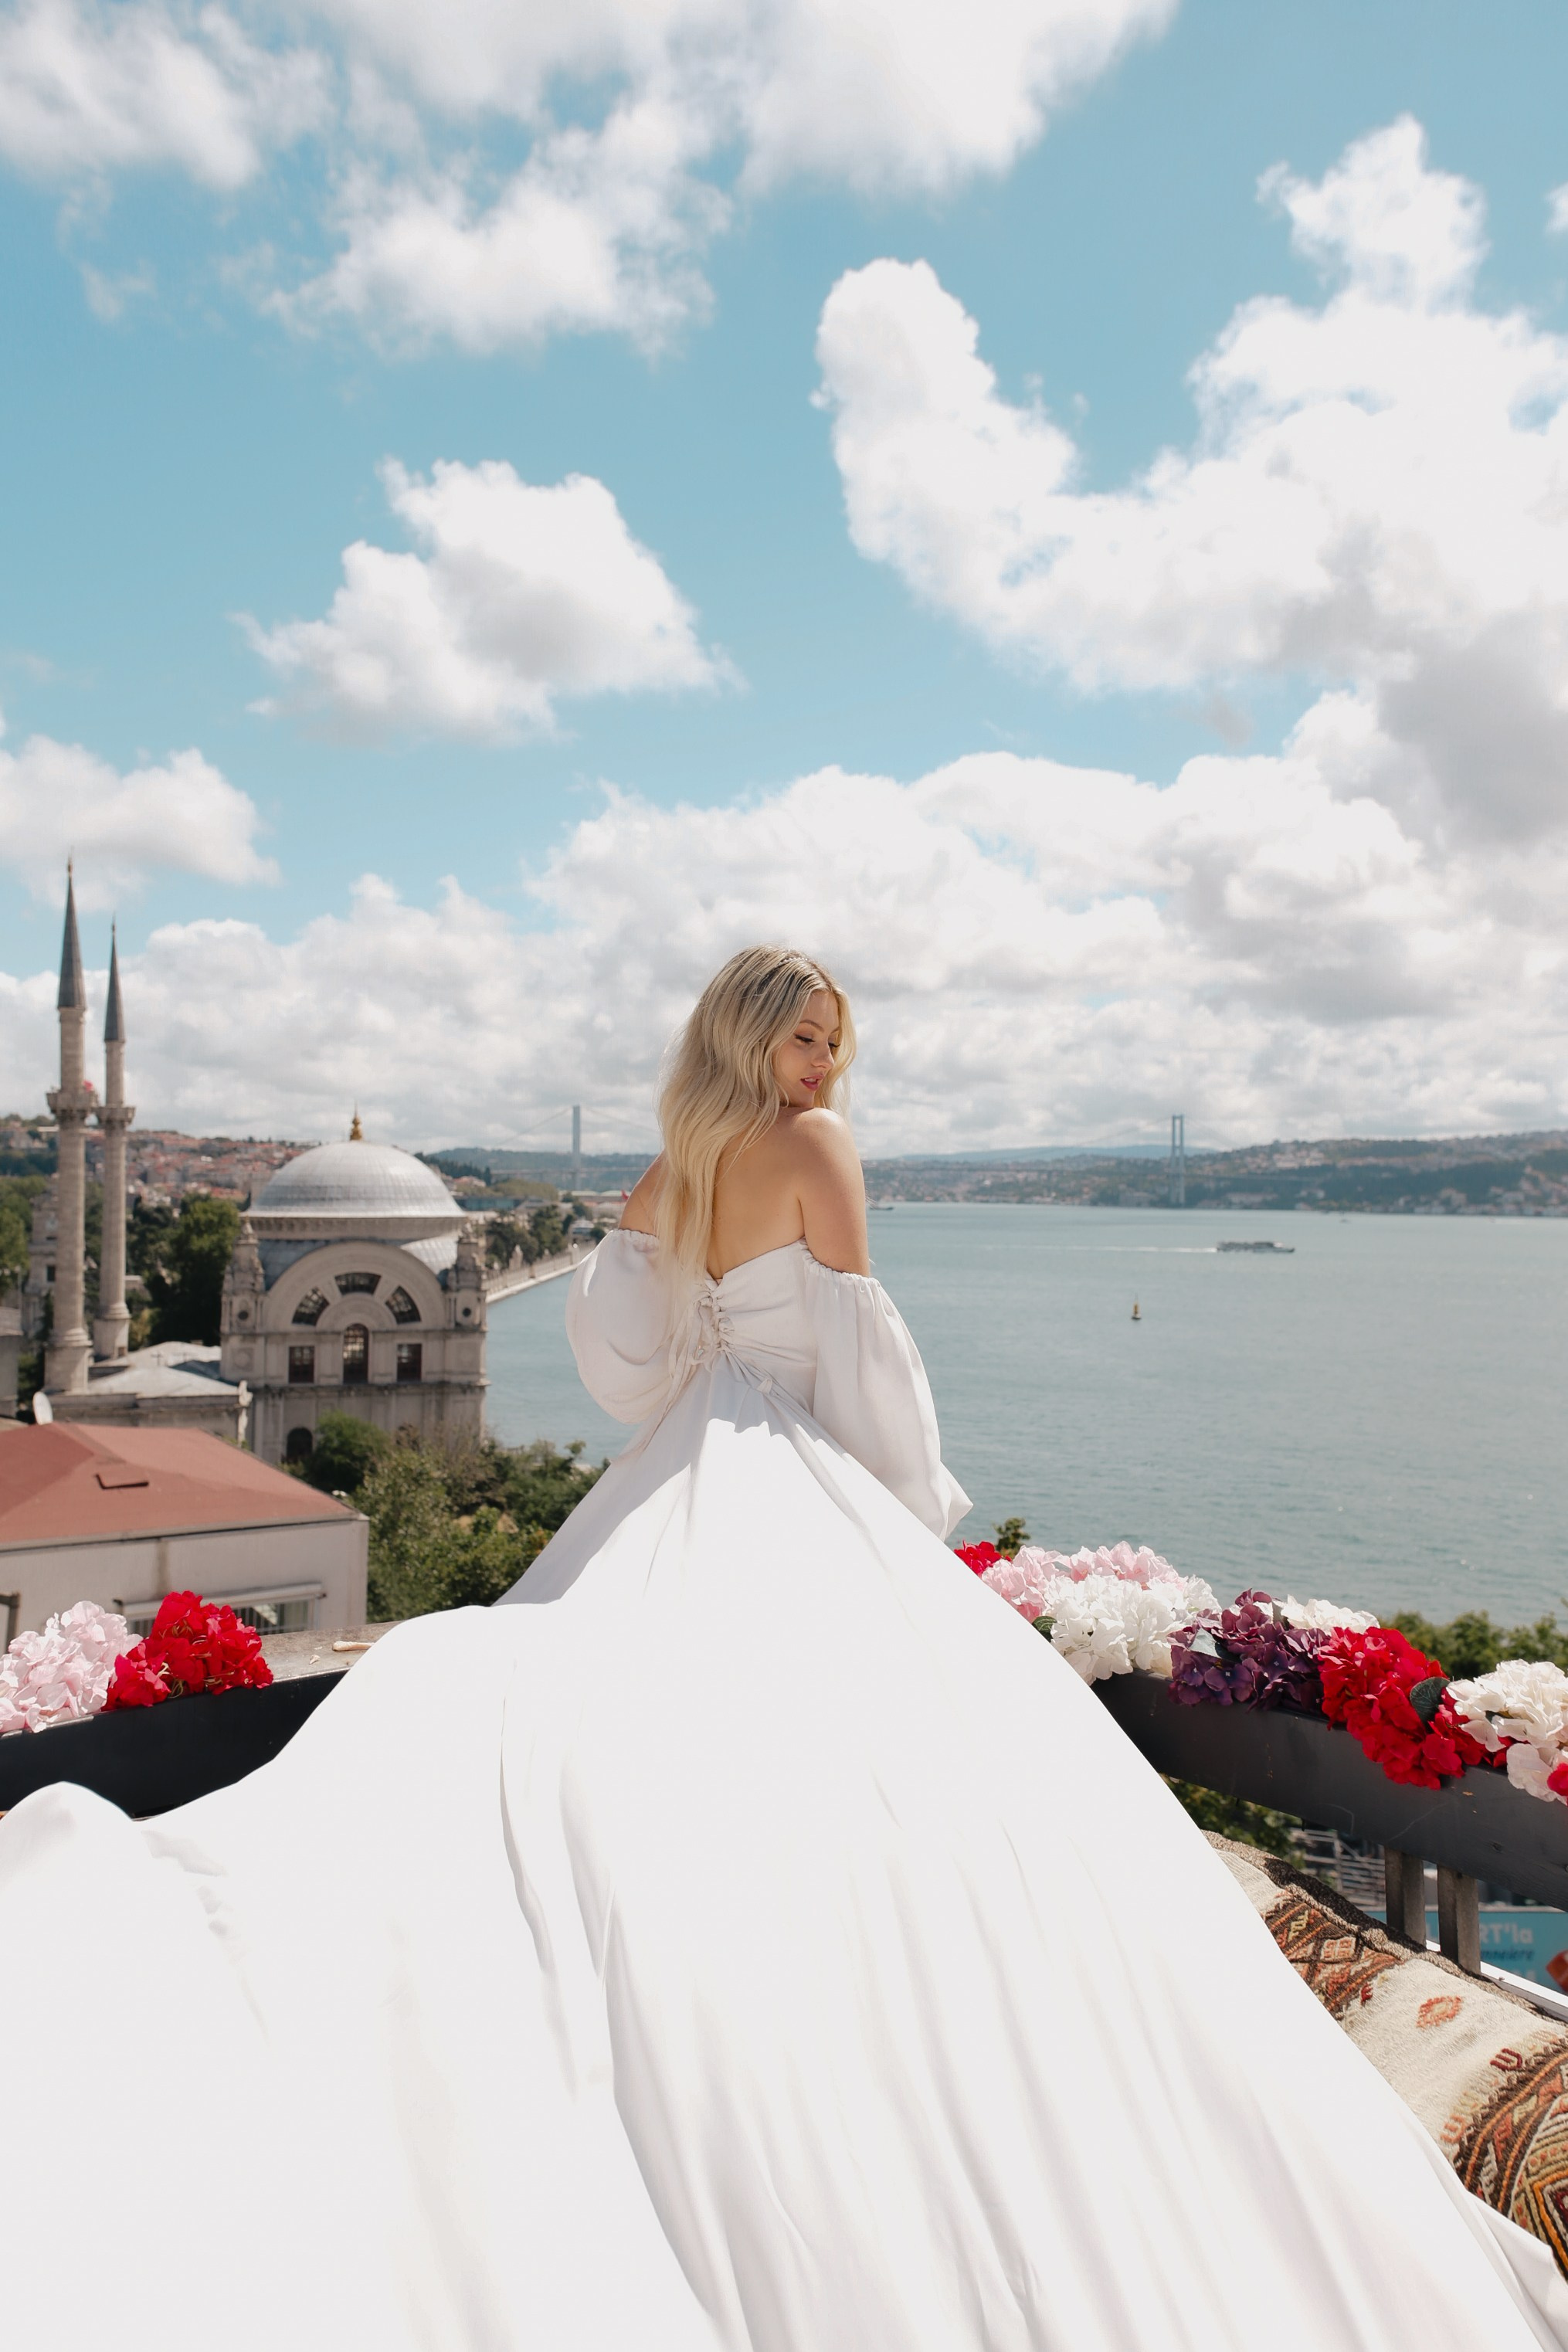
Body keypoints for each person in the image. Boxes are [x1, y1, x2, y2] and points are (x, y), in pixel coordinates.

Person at [0, 944, 1565, 2352]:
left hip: (682, 1457)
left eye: (836, 1044)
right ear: (760, 1038)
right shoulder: (812, 1146)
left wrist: (702, 1377)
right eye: (811, 1038)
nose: (828, 1069)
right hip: (792, 1463)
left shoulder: (677, 1160)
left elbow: (616, 1352)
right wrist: (904, 1519)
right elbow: (868, 1359)